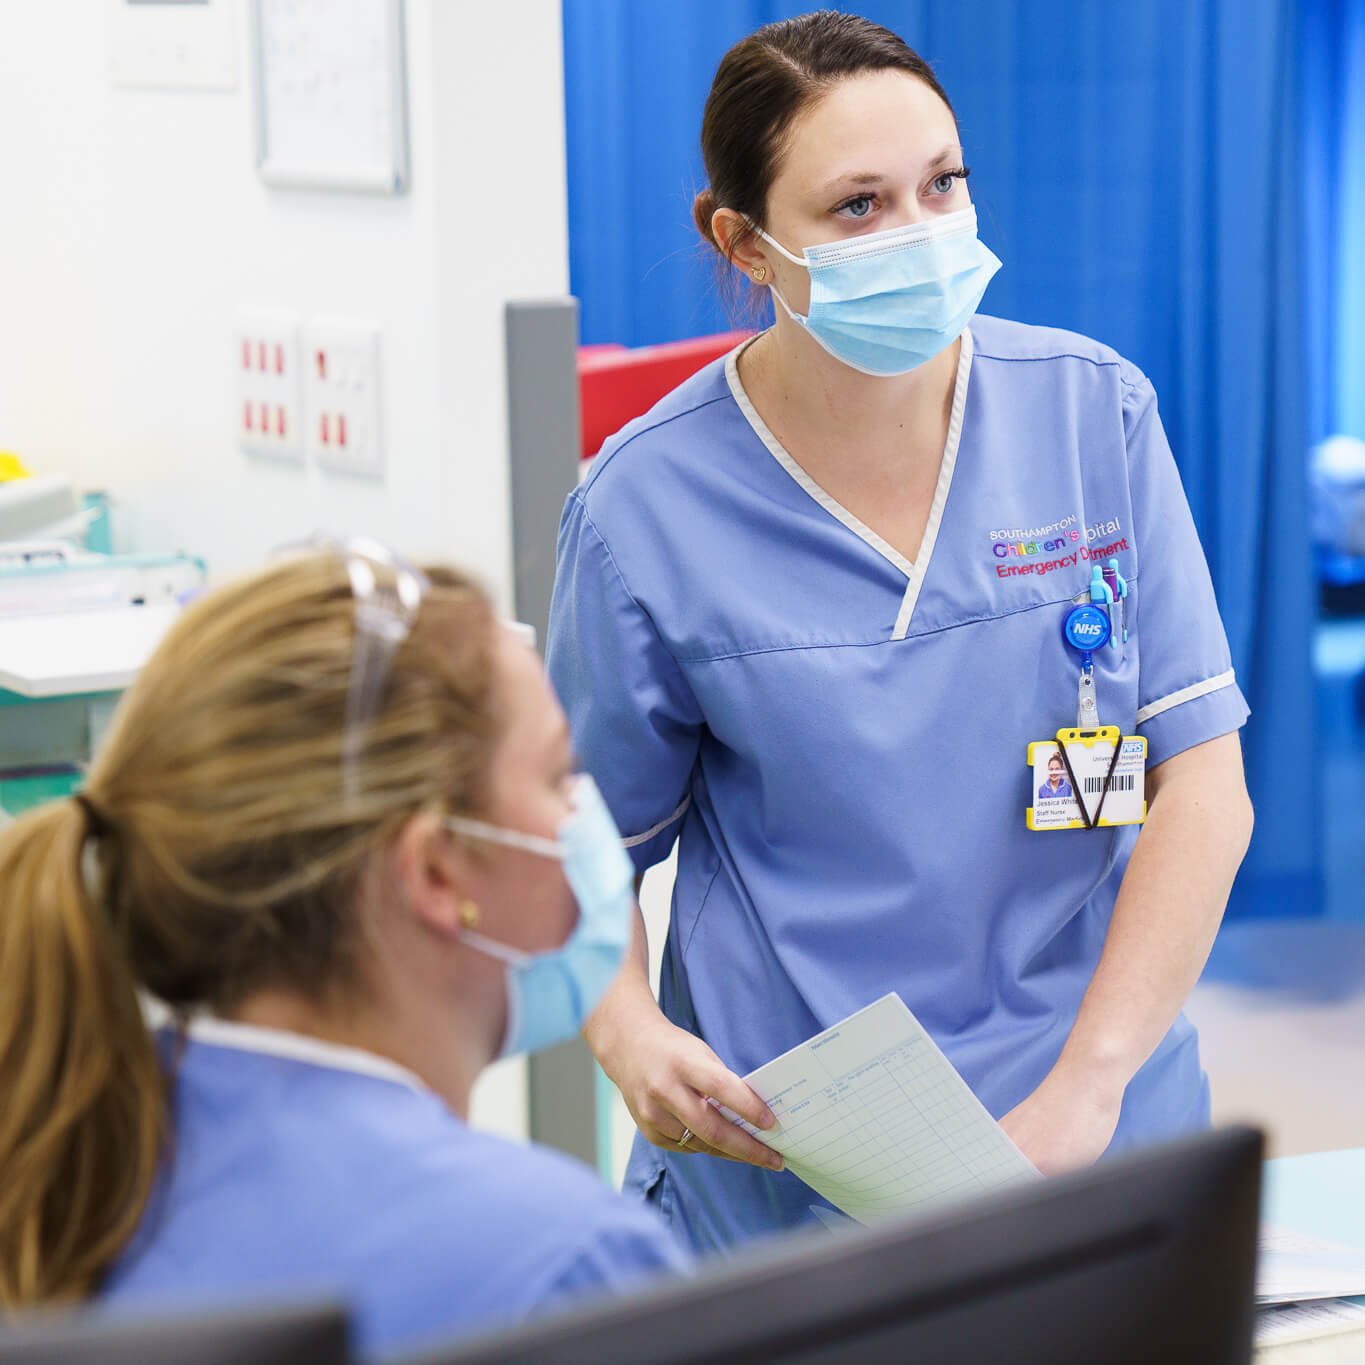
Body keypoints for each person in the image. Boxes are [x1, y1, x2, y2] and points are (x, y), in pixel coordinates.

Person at [547, 11, 1254, 1255]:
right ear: (744, 242)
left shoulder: (1095, 414)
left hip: (1101, 1121)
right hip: (793, 1159)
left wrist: (1088, 1091)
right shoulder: (645, 507)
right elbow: (577, 845)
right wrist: (627, 1035)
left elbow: (1201, 779)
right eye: (859, 208)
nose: (922, 236)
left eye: (944, 185)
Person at [0, 543, 688, 1358]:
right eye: (556, 777)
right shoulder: (565, 1270)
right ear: (436, 869)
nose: (583, 815)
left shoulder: (55, 1160)